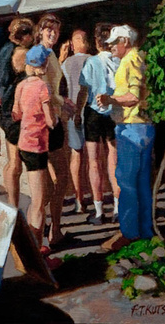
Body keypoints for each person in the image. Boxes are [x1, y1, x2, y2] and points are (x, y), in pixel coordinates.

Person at [97, 24, 155, 252]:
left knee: (127, 181)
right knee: (140, 182)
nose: (110, 46)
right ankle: (144, 231)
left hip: (132, 125)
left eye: (114, 42)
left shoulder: (130, 60)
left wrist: (110, 100)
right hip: (141, 125)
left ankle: (130, 233)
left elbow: (133, 96)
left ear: (125, 42)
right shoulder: (137, 58)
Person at [35, 13, 74, 248]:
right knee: (61, 178)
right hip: (49, 122)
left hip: (48, 120)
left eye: (56, 31)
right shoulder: (42, 55)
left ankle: (49, 228)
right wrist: (63, 103)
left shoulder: (48, 54)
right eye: (48, 29)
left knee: (51, 180)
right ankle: (54, 229)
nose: (52, 34)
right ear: (40, 31)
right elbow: (45, 91)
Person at [12, 44, 56, 249]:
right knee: (38, 201)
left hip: (23, 144)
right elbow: (51, 122)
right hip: (37, 146)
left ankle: (32, 240)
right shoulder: (42, 87)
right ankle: (36, 250)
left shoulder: (21, 86)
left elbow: (16, 114)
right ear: (42, 65)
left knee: (40, 194)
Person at [77, 22, 120, 225]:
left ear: (96, 42)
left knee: (94, 162)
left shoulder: (91, 62)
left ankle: (99, 210)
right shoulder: (119, 61)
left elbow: (84, 91)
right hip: (114, 113)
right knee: (114, 160)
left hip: (93, 112)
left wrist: (77, 112)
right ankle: (118, 208)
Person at [0, 17, 34, 206]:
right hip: (17, 112)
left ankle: (12, 205)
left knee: (12, 161)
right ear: (24, 36)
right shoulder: (22, 54)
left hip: (7, 110)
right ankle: (14, 205)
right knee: (18, 163)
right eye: (32, 34)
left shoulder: (3, 52)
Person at [61, 29, 91, 213]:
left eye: (73, 41)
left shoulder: (67, 63)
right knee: (95, 158)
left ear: (79, 41)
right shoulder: (92, 60)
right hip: (92, 111)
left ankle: (79, 199)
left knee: (76, 154)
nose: (71, 45)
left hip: (73, 112)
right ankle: (98, 200)